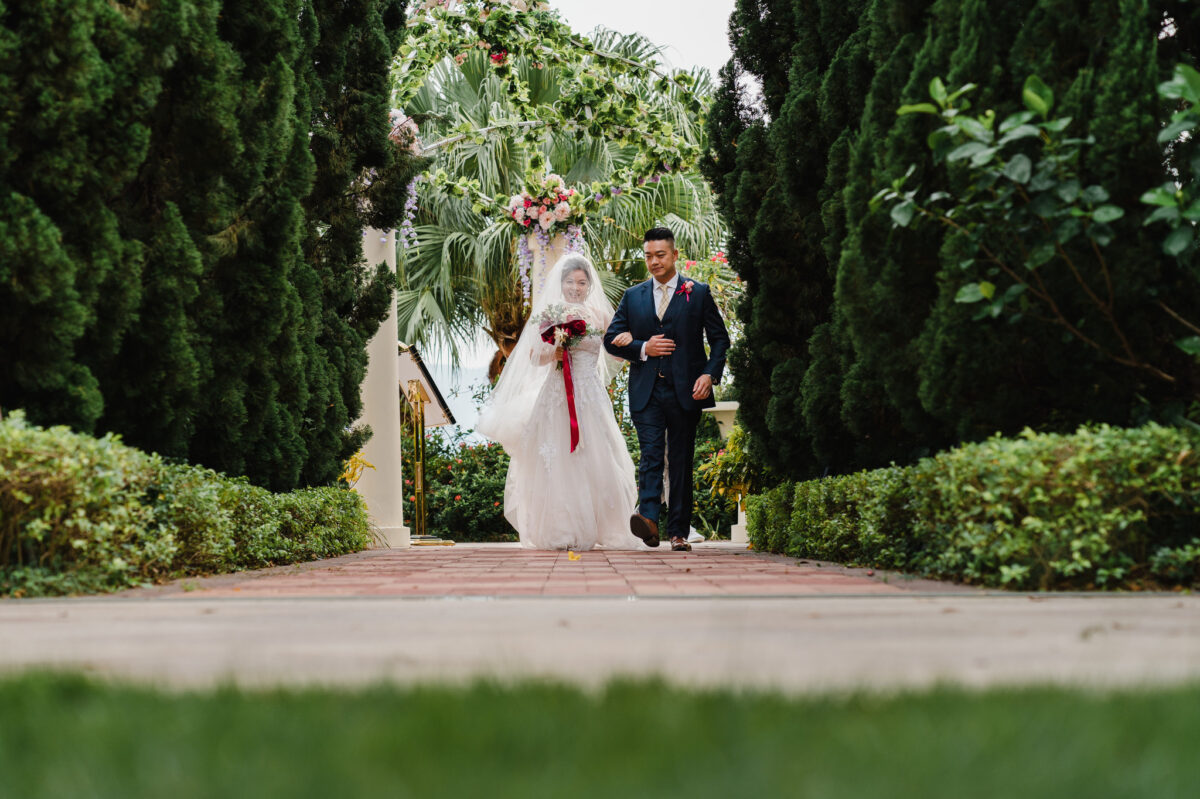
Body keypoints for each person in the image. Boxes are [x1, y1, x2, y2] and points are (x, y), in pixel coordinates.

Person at [476, 253, 645, 550]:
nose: (575, 288)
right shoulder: (550, 312)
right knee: (557, 458)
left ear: (589, 285)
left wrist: (627, 343)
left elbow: (616, 352)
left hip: (590, 394)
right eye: (570, 282)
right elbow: (533, 356)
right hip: (556, 395)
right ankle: (562, 529)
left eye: (581, 282)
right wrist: (553, 351)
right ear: (561, 283)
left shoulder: (599, 315)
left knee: (597, 455)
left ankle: (604, 527)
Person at [603, 227, 730, 551]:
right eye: (648, 256)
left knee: (680, 459)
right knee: (650, 454)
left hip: (686, 391)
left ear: (674, 254)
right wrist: (643, 347)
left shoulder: (697, 293)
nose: (654, 262)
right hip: (646, 390)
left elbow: (720, 340)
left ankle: (678, 533)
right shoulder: (633, 296)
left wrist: (709, 375)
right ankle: (648, 518)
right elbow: (611, 339)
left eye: (660, 255)